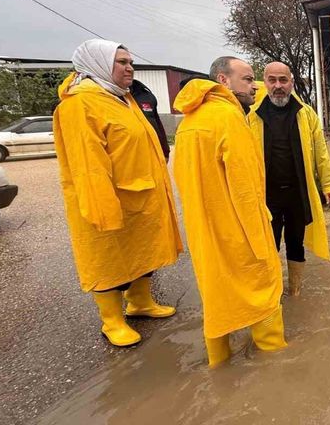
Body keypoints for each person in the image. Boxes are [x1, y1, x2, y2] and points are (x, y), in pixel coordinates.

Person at [53, 39, 182, 347]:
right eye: (121, 62)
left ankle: (140, 302)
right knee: (108, 258)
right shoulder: (80, 104)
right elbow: (87, 164)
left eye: (130, 62)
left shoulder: (123, 98)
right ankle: (112, 321)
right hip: (108, 200)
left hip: (140, 195)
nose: (129, 68)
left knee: (143, 251)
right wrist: (103, 209)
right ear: (97, 64)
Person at [173, 56, 286, 367]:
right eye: (248, 79)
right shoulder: (228, 118)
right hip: (238, 230)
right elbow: (246, 188)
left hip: (203, 231)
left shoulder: (190, 121)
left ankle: (219, 366)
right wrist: (262, 244)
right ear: (223, 80)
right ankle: (278, 364)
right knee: (262, 292)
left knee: (217, 299)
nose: (255, 86)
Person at [250, 61, 330, 297]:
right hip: (266, 194)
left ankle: (295, 290)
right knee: (268, 244)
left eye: (283, 80)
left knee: (295, 242)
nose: (278, 86)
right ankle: (272, 293)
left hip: (298, 192)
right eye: (272, 80)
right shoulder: (252, 115)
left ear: (291, 82)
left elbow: (320, 152)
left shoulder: (306, 114)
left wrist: (329, 184)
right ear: (265, 82)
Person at [130, 79, 170, 160]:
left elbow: (157, 122)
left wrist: (165, 150)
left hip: (152, 153)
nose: (129, 71)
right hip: (129, 156)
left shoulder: (145, 95)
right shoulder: (107, 98)